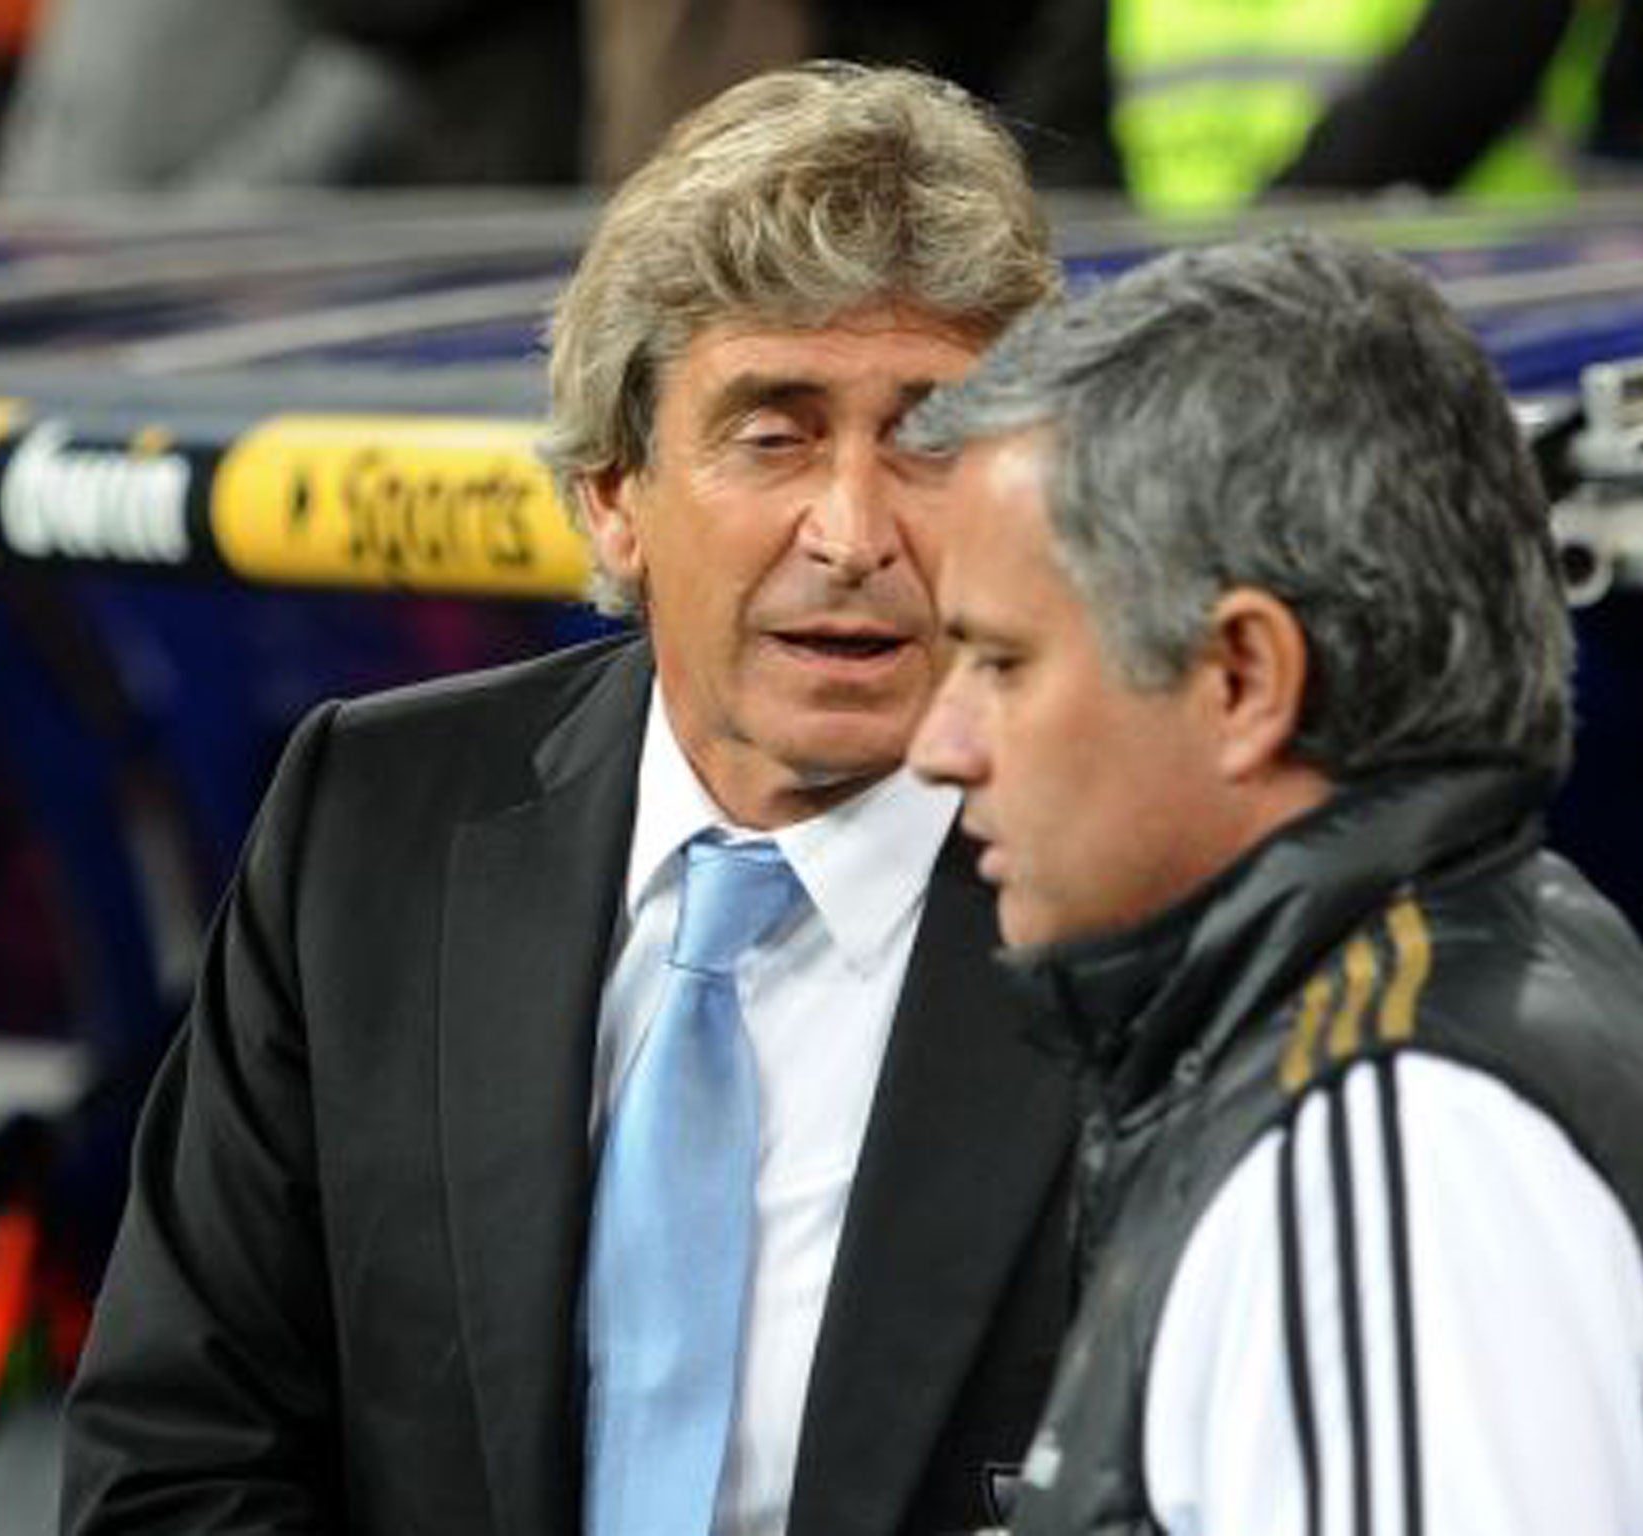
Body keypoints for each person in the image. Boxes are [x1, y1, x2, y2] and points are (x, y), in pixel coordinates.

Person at [58, 63, 1072, 1536]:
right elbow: (178, 1454)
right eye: (773, 433)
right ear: (612, 491)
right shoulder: (374, 819)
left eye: (926, 436)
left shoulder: (1139, 897)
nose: (854, 531)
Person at [903, 230, 1643, 1533]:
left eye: (998, 663)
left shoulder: (1389, 1143)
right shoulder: (1497, 957)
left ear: (1244, 679)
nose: (937, 744)